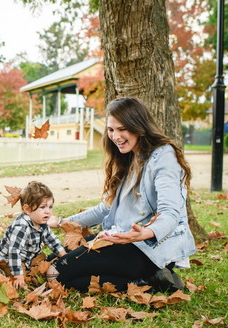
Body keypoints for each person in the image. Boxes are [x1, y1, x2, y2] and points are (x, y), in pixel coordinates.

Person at [47, 97, 195, 292]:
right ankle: (146, 279)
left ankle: (150, 281)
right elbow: (104, 209)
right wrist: (62, 222)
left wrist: (146, 233)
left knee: (56, 272)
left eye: (122, 129)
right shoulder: (127, 157)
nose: (115, 136)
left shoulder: (163, 156)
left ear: (138, 126)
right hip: (118, 239)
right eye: (111, 130)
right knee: (52, 259)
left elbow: (170, 213)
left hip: (147, 248)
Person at [0, 181, 67, 289]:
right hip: (10, 258)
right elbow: (14, 252)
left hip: (29, 255)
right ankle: (8, 270)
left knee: (43, 260)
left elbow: (52, 240)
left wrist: (64, 255)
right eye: (43, 207)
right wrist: (18, 275)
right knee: (21, 281)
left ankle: (30, 269)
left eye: (50, 207)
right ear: (27, 209)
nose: (48, 211)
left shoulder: (41, 221)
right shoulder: (21, 227)